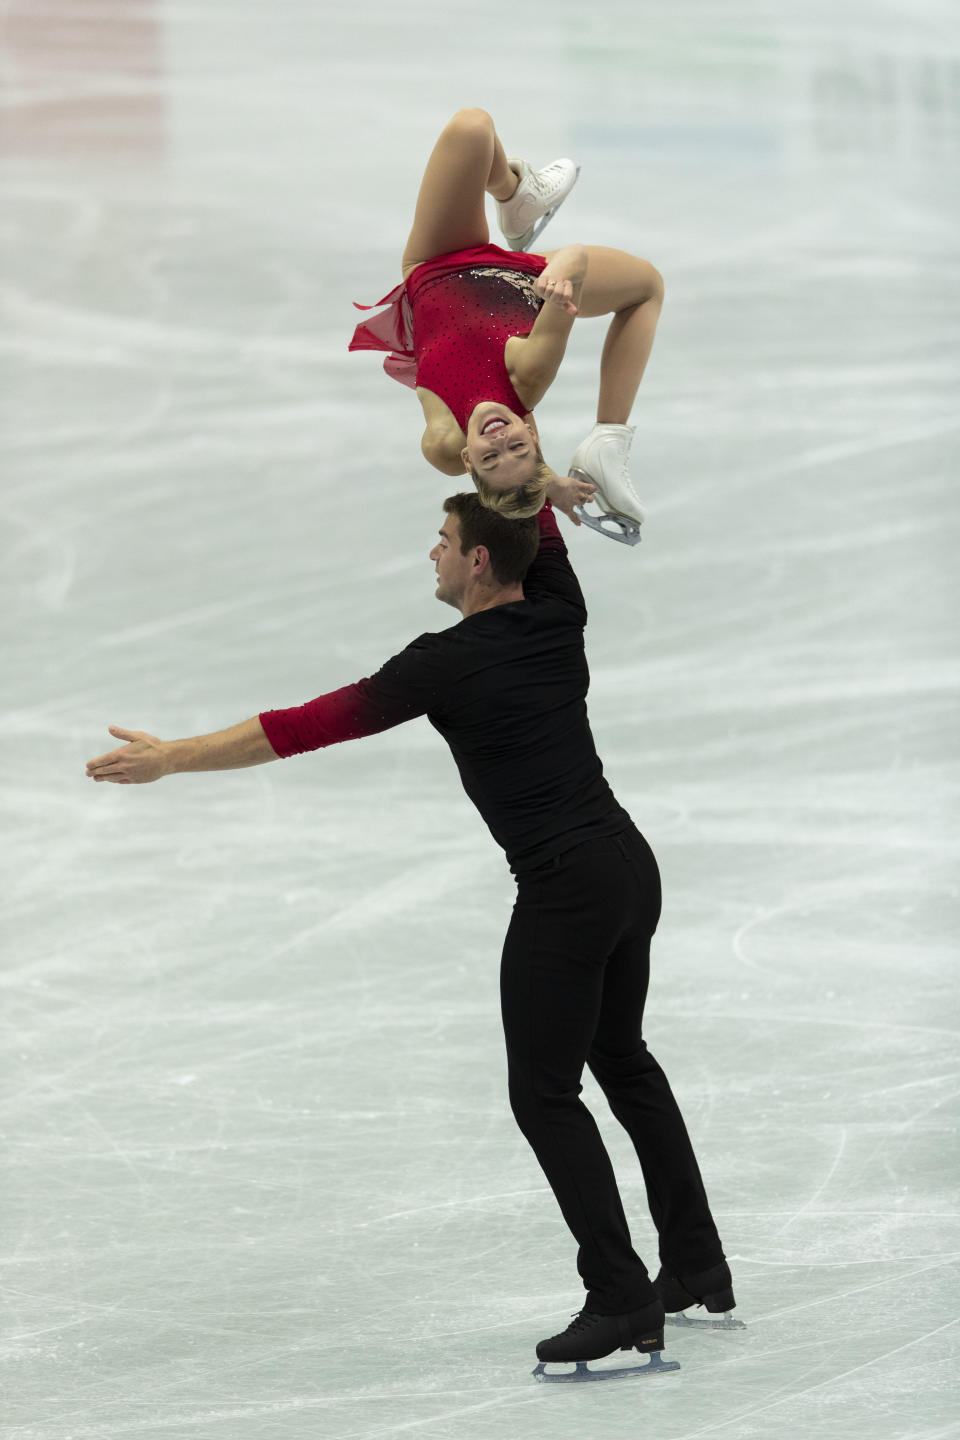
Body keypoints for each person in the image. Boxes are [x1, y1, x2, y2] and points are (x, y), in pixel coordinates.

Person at [85, 494, 735, 1375]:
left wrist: (174, 756)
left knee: (543, 1094)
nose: (430, 551)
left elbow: (299, 728)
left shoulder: (443, 664)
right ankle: (694, 1262)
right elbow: (530, 510)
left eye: (444, 540)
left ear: (476, 563)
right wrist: (504, 445)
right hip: (627, 868)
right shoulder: (557, 610)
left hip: (564, 891)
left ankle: (622, 1296)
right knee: (621, 1060)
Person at [349, 108, 664, 544]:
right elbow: (576, 258)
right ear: (532, 432)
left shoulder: (442, 442)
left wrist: (549, 486)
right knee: (647, 286)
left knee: (472, 127)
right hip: (522, 281)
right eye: (516, 444)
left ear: (466, 460)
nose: (498, 439)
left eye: (490, 457)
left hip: (437, 262)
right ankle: (608, 438)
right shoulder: (529, 372)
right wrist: (560, 276)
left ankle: (517, 199)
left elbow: (514, 468)